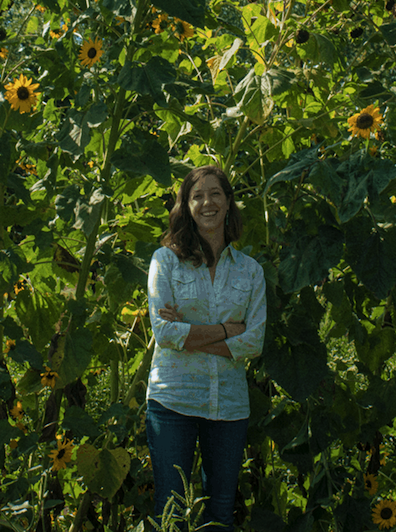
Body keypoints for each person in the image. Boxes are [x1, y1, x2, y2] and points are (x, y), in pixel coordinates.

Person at [146, 165, 266, 531]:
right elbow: (165, 333)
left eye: (215, 193)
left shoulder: (250, 271)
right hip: (173, 401)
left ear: (229, 202)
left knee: (220, 514)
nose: (207, 202)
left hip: (228, 406)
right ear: (186, 206)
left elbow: (254, 341)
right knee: (171, 508)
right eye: (197, 196)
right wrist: (227, 330)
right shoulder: (165, 261)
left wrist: (192, 335)